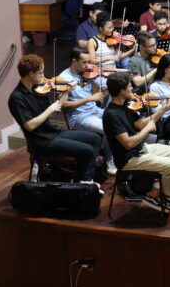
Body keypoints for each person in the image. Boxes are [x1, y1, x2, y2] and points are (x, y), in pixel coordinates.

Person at [8, 54, 103, 190]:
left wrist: (67, 92)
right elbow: (29, 125)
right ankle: (84, 182)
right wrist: (50, 109)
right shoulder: (17, 97)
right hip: (41, 141)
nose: (43, 76)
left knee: (94, 138)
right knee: (87, 150)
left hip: (52, 132)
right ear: (30, 74)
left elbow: (54, 112)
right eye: (40, 73)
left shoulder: (38, 90)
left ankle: (81, 179)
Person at [102, 71, 170, 211]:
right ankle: (164, 197)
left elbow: (141, 124)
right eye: (129, 87)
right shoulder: (111, 115)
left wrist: (163, 110)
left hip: (140, 149)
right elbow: (128, 143)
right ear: (121, 91)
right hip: (128, 159)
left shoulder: (126, 106)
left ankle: (156, 192)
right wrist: (147, 130)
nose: (132, 89)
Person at [57, 48, 116, 175]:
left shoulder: (87, 73)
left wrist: (110, 86)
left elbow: (99, 96)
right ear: (74, 61)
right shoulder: (63, 78)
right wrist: (89, 98)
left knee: (119, 119)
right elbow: (63, 106)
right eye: (84, 62)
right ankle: (110, 159)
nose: (88, 65)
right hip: (80, 117)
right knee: (109, 128)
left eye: (89, 61)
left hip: (95, 110)